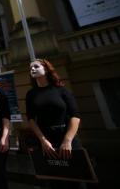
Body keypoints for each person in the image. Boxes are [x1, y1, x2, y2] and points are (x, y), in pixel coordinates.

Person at [26, 59, 82, 189]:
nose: (32, 69)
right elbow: (31, 119)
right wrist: (43, 140)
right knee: (52, 182)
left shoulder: (61, 90)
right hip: (47, 143)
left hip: (67, 141)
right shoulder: (31, 94)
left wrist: (67, 140)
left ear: (46, 69)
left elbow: (75, 115)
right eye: (30, 68)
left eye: (36, 66)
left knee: (73, 181)